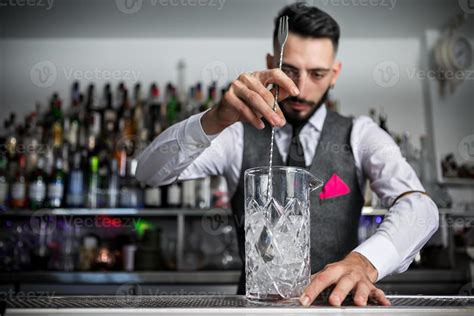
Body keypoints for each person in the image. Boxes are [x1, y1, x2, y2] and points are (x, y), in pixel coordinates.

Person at [136, 3, 438, 307]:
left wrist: (365, 261)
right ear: (271, 64)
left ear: (335, 74)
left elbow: (421, 209)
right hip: (255, 308)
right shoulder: (236, 134)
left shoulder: (361, 134)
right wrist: (213, 119)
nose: (300, 90)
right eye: (290, 71)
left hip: (338, 309)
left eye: (318, 74)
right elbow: (148, 173)